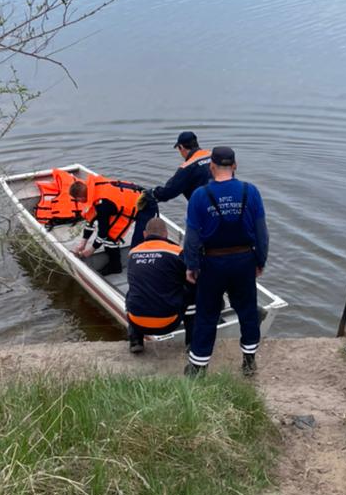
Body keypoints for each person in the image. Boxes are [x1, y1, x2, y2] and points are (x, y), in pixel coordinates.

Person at [182, 146, 268, 377]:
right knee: (247, 310)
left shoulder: (200, 195)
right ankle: (249, 360)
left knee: (207, 313)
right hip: (244, 261)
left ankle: (198, 367)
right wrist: (260, 260)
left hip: (212, 263)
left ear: (211, 167)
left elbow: (192, 237)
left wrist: (191, 265)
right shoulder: (251, 192)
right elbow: (262, 233)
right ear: (235, 165)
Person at [125, 217, 195, 353]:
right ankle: (192, 344)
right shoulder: (177, 252)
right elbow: (192, 279)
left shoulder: (132, 253)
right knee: (193, 294)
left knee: (132, 292)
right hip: (168, 322)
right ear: (166, 234)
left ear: (145, 234)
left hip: (137, 321)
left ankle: (135, 340)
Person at [131, 130, 212, 246]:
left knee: (193, 243)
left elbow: (169, 191)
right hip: (221, 204)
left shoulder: (187, 167)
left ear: (181, 147)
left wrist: (153, 194)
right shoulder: (213, 155)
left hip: (201, 211)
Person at [70, 174, 143, 275]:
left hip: (139, 207)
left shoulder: (102, 205)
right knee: (106, 236)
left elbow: (103, 232)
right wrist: (83, 243)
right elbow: (91, 220)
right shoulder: (93, 190)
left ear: (80, 198)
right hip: (117, 205)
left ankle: (115, 267)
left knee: (110, 238)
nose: (77, 202)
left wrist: (92, 249)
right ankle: (113, 264)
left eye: (76, 200)